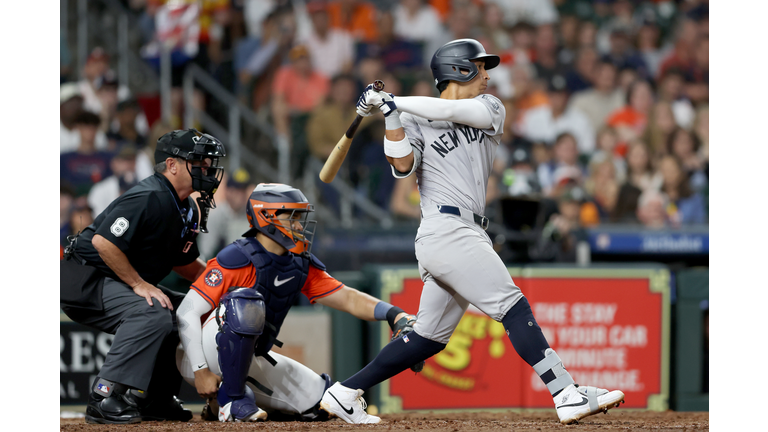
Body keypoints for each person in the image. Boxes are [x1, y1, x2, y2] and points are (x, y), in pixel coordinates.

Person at [318, 38, 625, 425]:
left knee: (429, 336)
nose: (486, 74)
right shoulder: (411, 116)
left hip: (465, 230)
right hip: (444, 229)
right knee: (512, 304)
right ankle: (564, 391)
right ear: (458, 69)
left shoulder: (489, 107)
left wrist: (393, 101)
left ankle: (346, 392)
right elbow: (401, 166)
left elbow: (451, 109)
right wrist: (391, 116)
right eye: (479, 67)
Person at [175, 183, 420, 422]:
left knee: (321, 403)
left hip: (250, 358)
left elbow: (348, 298)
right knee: (245, 302)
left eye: (299, 217)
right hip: (202, 354)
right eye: (291, 216)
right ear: (266, 217)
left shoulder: (298, 262)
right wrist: (200, 370)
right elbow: (186, 312)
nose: (299, 225)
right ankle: (231, 401)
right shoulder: (237, 257)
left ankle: (227, 401)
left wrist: (395, 314)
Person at [60, 129, 226, 424]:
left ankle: (154, 398)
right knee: (152, 312)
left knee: (185, 310)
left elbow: (185, 265)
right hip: (85, 277)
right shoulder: (151, 195)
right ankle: (105, 396)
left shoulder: (184, 206)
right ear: (172, 165)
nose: (207, 169)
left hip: (109, 280)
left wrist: (222, 284)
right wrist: (138, 284)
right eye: (198, 162)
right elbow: (103, 242)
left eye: (207, 163)